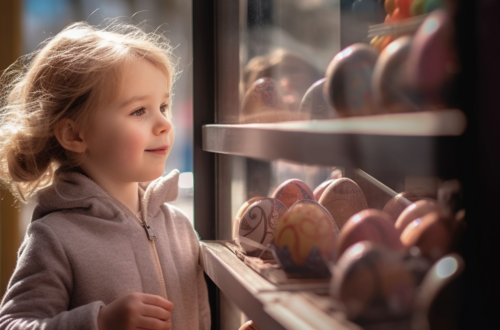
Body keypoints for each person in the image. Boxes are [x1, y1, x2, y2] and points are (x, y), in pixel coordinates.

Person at [0, 20, 210, 330]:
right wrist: (99, 322)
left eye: (164, 106)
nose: (164, 123)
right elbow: (14, 324)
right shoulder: (54, 238)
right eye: (139, 111)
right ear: (75, 134)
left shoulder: (178, 225)